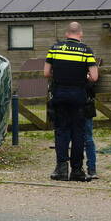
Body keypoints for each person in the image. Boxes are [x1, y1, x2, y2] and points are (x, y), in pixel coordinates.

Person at [45, 22, 98, 181]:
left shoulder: (55, 49)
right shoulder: (86, 50)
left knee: (61, 132)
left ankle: (61, 170)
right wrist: (84, 76)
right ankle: (77, 170)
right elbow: (94, 77)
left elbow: (46, 73)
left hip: (60, 95)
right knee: (78, 133)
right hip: (78, 96)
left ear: (67, 34)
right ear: (80, 34)